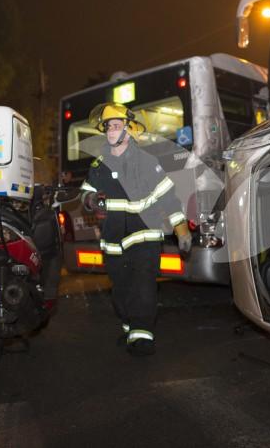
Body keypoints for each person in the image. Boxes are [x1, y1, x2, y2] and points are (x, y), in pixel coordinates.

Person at [80, 103, 191, 356]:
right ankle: (131, 329)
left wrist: (181, 229)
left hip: (144, 236)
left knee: (142, 286)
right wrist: (88, 199)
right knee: (121, 289)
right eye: (108, 126)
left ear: (128, 131)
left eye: (116, 126)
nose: (110, 130)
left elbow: (168, 197)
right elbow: (86, 192)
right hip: (113, 240)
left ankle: (142, 336)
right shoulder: (99, 165)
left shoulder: (147, 162)